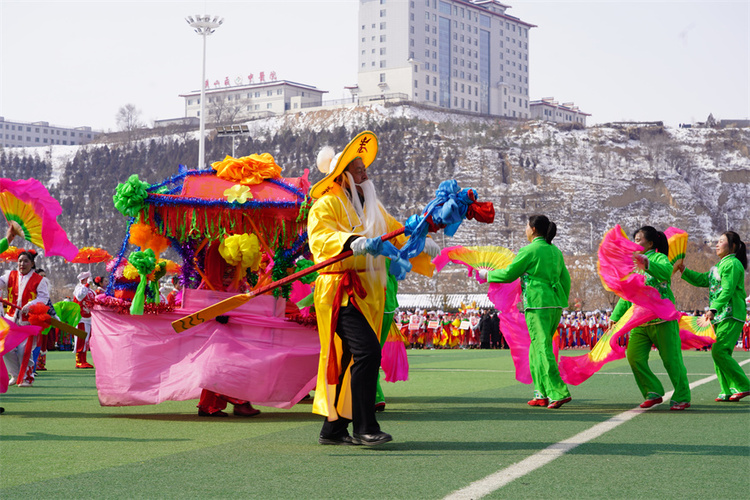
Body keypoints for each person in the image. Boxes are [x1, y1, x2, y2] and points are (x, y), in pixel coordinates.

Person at [307, 130, 436, 446]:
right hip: (340, 290)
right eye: (359, 168)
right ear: (343, 174)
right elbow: (321, 239)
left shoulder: (371, 207)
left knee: (351, 357)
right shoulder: (326, 205)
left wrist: (420, 244)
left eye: (364, 168)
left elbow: (395, 232)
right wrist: (352, 241)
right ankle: (365, 426)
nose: (366, 173)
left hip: (367, 292)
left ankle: (334, 429)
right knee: (367, 352)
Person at [478, 215, 572, 409]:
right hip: (553, 304)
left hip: (537, 304)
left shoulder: (529, 250)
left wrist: (487, 275)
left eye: (526, 226)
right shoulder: (555, 251)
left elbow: (510, 273)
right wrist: (560, 299)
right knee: (537, 348)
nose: (525, 230)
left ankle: (558, 392)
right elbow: (566, 280)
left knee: (543, 347)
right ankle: (541, 393)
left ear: (534, 229)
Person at [611, 226, 691, 411]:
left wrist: (647, 264)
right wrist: (615, 317)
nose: (635, 242)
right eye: (634, 239)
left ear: (651, 243)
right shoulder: (634, 267)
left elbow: (665, 273)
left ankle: (682, 396)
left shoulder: (659, 258)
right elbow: (628, 294)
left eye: (638, 239)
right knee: (633, 357)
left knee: (671, 360)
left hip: (662, 318)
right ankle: (652, 391)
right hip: (639, 320)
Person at [677, 231, 750, 402]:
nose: (716, 244)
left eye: (721, 241)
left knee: (719, 351)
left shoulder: (732, 264)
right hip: (721, 316)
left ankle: (744, 385)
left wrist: (713, 309)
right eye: (716, 241)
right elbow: (703, 279)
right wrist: (684, 270)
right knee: (719, 352)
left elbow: (727, 290)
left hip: (731, 314)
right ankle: (727, 389)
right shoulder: (720, 266)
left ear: (732, 246)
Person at [2, 249, 50, 387]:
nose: (22, 264)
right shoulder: (9, 275)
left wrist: (31, 305)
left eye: (25, 261)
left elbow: (44, 297)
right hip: (10, 319)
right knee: (6, 348)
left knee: (25, 351)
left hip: (28, 320)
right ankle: (15, 375)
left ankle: (27, 378)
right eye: (20, 261)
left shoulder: (39, 280)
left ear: (32, 263)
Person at [73, 272, 96, 369]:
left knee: (86, 340)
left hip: (88, 318)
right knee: (80, 339)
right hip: (80, 318)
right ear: (82, 280)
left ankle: (84, 360)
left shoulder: (91, 291)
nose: (89, 280)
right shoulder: (79, 288)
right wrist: (86, 285)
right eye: (87, 278)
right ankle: (78, 361)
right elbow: (80, 296)